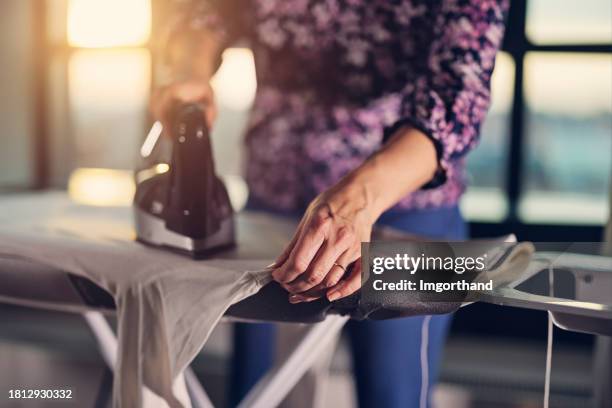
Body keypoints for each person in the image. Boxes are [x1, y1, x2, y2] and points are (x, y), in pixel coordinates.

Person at [152, 1, 508, 406]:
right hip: (275, 199)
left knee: (394, 396)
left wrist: (359, 200)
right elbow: (206, 12)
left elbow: (456, 96)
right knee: (260, 393)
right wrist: (189, 71)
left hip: (410, 210)